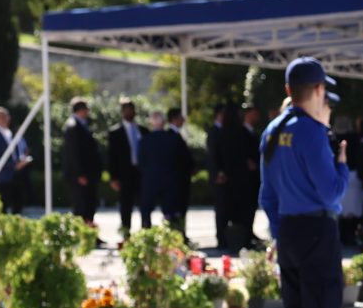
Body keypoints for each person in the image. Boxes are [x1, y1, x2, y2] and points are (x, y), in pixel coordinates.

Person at [259, 57, 363, 308]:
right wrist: (342, 165)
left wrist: (278, 233)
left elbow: (267, 195)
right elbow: (331, 192)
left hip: (288, 231)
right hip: (317, 231)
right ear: (319, 90)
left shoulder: (272, 131)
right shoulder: (312, 132)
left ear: (289, 90)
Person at [207, 102, 257, 252]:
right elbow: (215, 155)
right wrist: (219, 172)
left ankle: (234, 239)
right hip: (230, 179)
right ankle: (228, 240)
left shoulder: (234, 132)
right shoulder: (222, 132)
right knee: (227, 211)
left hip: (234, 179)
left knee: (232, 211)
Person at [139, 107, 194, 235]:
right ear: (164, 122)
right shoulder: (173, 139)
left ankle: (147, 237)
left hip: (150, 181)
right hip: (170, 182)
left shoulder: (144, 140)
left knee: (146, 212)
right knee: (170, 214)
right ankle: (173, 238)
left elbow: (141, 163)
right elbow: (180, 161)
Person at [60, 98, 103, 224]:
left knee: (89, 204)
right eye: (86, 109)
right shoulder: (72, 126)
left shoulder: (82, 124)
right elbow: (73, 153)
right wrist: (79, 174)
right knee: (81, 206)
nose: (88, 112)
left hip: (88, 174)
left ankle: (89, 228)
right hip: (80, 176)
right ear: (80, 110)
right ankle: (81, 231)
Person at [106, 99, 144, 236]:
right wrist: (113, 177)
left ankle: (146, 232)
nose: (130, 113)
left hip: (141, 173)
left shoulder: (142, 130)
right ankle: (126, 233)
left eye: (131, 110)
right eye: (127, 110)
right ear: (122, 112)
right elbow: (111, 157)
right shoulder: (115, 132)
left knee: (145, 204)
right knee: (126, 205)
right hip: (124, 175)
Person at [0, 105, 30, 213]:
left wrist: (21, 160)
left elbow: (15, 151)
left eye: (5, 116)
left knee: (18, 204)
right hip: (3, 177)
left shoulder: (9, 132)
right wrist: (14, 165)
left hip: (15, 175)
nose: (4, 119)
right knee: (3, 207)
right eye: (1, 117)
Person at [233, 102, 265, 246]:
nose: (257, 116)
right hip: (244, 178)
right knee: (245, 208)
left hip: (253, 177)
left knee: (251, 207)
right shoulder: (240, 132)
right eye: (254, 113)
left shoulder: (253, 132)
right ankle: (244, 237)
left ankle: (249, 233)